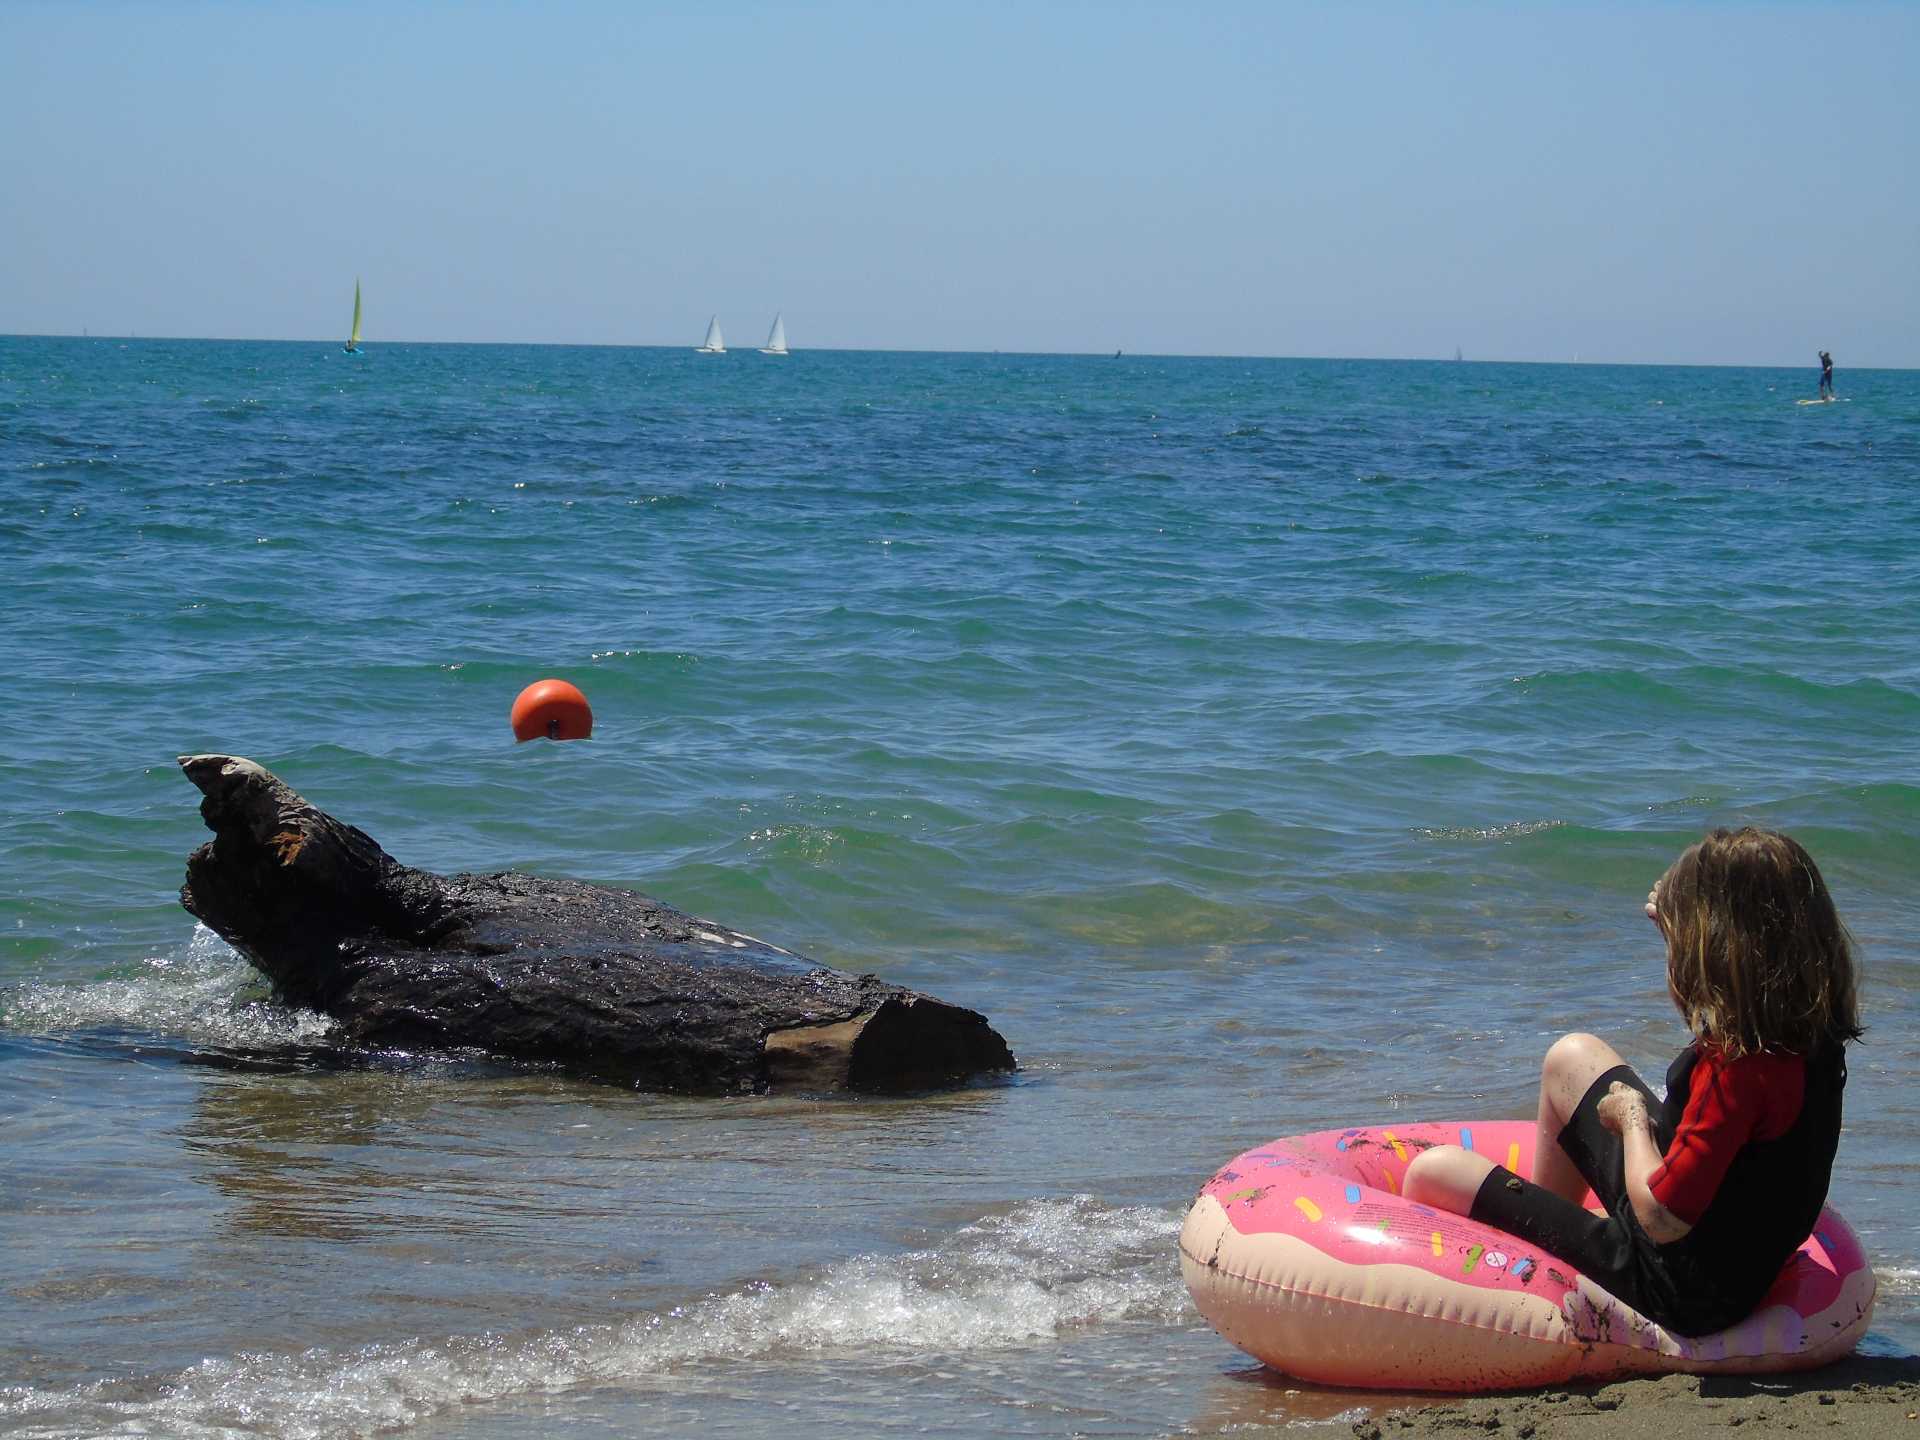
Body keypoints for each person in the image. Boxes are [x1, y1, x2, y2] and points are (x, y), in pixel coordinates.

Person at [1403, 827, 1862, 1337]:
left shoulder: (1736, 1070)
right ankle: (1550, 1234)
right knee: (1570, 1057)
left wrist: (1632, 1121)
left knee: (1434, 1171)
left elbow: (1662, 1218)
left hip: (1678, 1284)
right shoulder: (1809, 1041)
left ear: (1716, 945)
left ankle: (1541, 1264)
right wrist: (1677, 922)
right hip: (1734, 1254)